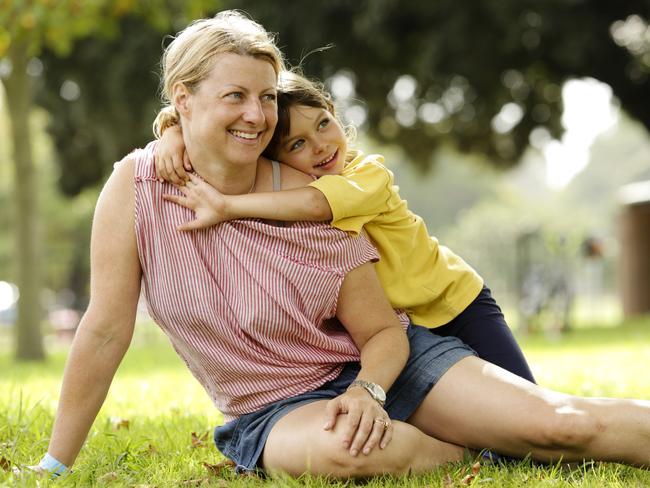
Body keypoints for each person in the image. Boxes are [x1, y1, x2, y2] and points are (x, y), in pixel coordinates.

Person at [36, 10, 650, 480]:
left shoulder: (315, 198)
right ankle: (470, 447)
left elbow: (382, 332)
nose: (257, 115)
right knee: (345, 451)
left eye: (266, 97)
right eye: (235, 96)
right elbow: (106, 329)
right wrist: (57, 465)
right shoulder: (135, 188)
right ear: (181, 101)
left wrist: (368, 390)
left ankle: (499, 433)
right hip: (275, 408)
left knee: (562, 426)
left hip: (388, 366)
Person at [154, 70, 536, 383]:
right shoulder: (281, 194)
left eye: (323, 124)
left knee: (523, 401)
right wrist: (173, 133)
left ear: (335, 113)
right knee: (463, 414)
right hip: (400, 330)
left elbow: (318, 204)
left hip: (456, 302)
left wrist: (226, 206)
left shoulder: (369, 175)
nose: (319, 146)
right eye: (297, 144)